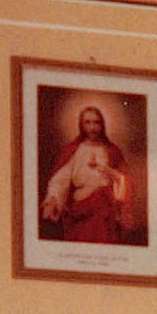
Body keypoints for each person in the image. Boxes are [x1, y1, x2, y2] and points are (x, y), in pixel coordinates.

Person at [40, 105, 133, 244]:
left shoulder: (112, 151)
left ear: (102, 125)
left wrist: (111, 173)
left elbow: (124, 179)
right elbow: (60, 179)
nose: (92, 127)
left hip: (106, 208)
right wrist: (53, 198)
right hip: (81, 208)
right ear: (81, 125)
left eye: (96, 122)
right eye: (87, 122)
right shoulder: (73, 150)